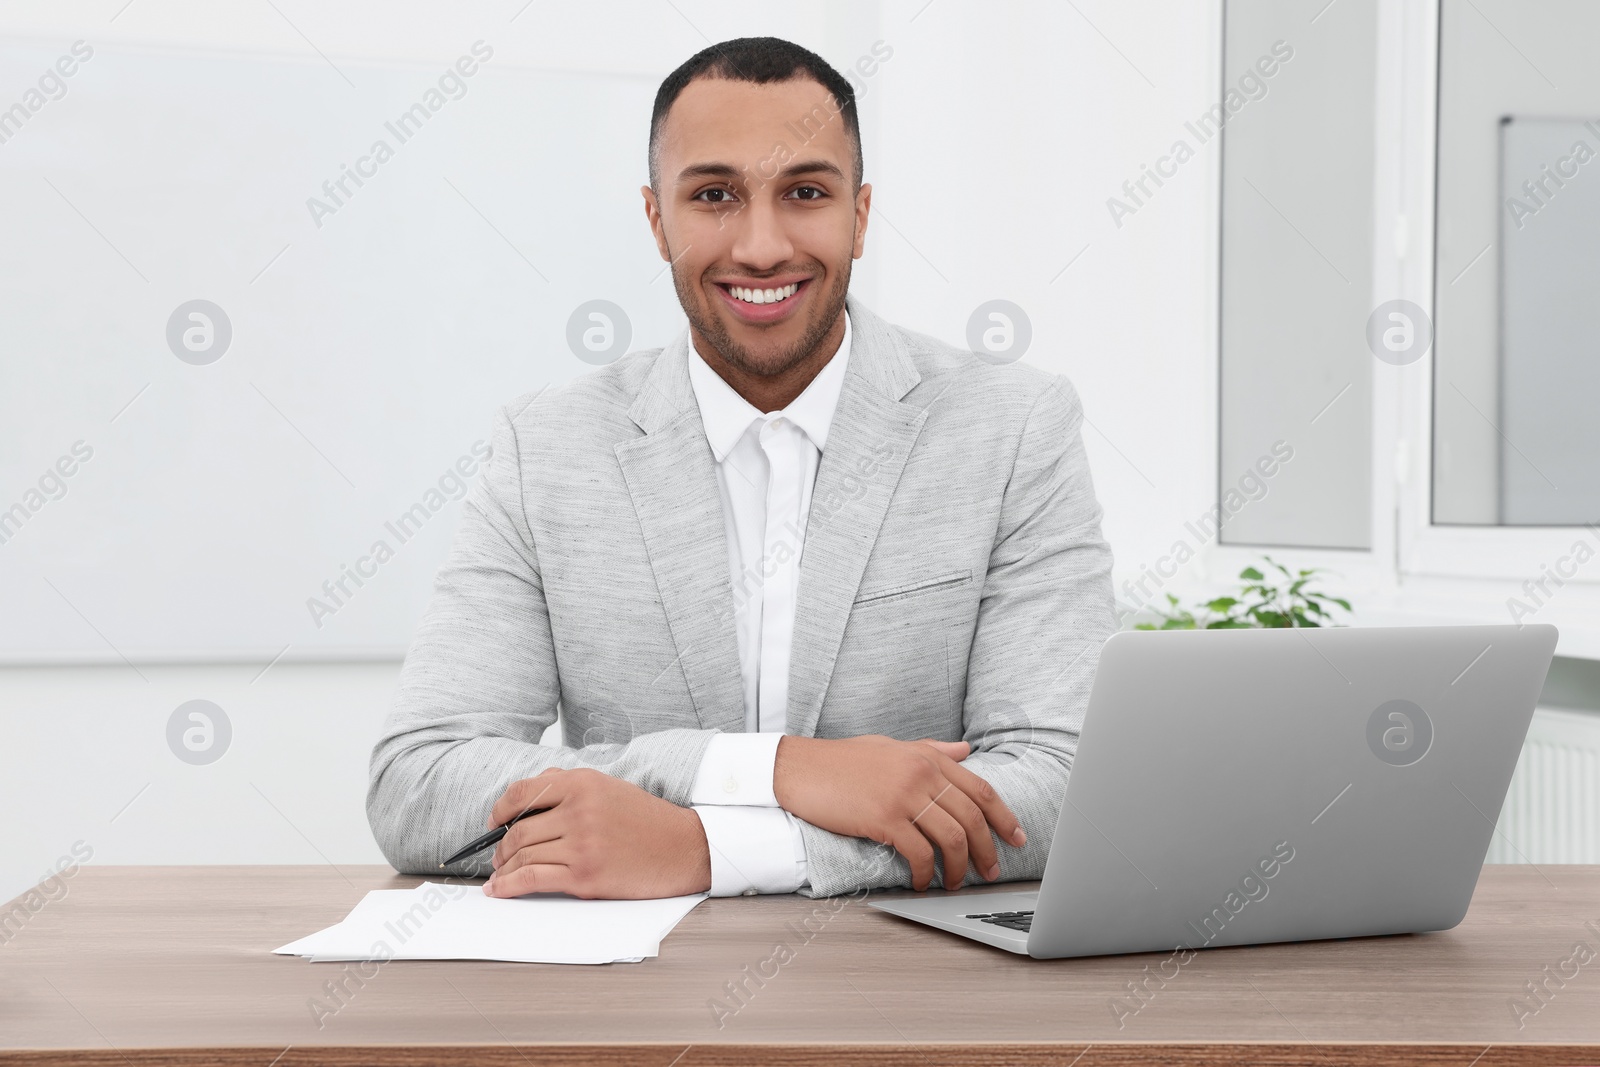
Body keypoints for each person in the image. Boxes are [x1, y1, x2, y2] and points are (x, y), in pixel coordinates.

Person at [367, 36, 1115, 901]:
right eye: (715, 195)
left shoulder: (1013, 427)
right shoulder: (548, 448)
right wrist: (777, 770)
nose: (761, 247)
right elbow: (419, 784)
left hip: (908, 998)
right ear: (657, 221)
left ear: (861, 216)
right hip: (632, 1009)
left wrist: (704, 850)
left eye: (804, 193)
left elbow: (1064, 784)